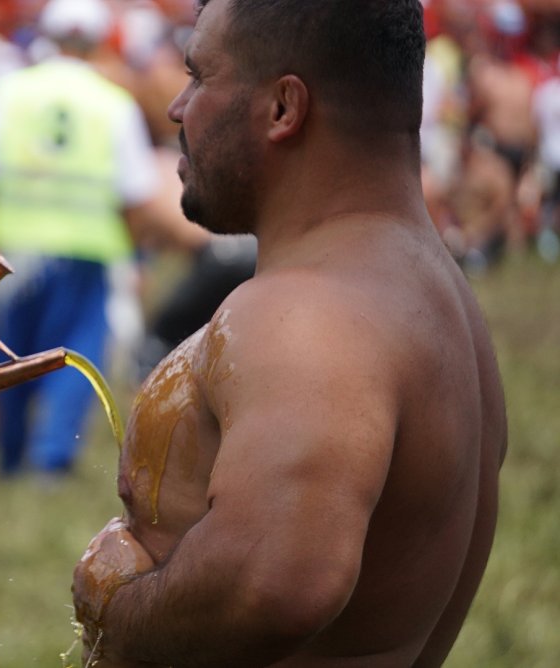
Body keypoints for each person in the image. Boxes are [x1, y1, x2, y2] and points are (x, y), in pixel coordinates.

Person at [72, 1, 508, 666]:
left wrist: (113, 607)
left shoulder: (307, 314)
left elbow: (275, 584)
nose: (178, 107)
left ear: (283, 108)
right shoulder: (437, 296)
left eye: (200, 75)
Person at [0, 0, 208, 479]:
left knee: (7, 357)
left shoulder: (8, 93)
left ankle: (9, 459)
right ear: (99, 41)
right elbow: (137, 195)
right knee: (75, 358)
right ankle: (51, 464)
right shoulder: (112, 102)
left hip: (10, 251)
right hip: (87, 251)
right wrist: (164, 248)